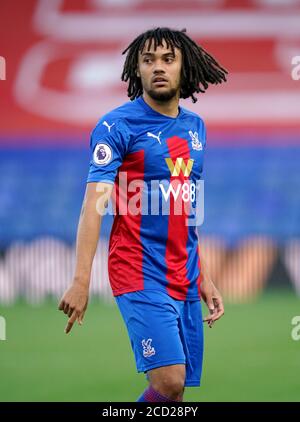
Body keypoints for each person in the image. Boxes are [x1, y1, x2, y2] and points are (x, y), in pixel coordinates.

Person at [58, 27, 227, 402]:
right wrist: (81, 281)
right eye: (148, 60)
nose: (158, 68)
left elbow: (188, 211)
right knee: (169, 381)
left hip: (183, 275)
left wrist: (204, 277)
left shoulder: (195, 128)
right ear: (137, 70)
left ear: (184, 68)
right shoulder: (116, 126)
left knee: (174, 395)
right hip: (137, 270)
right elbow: (93, 205)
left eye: (168, 59)